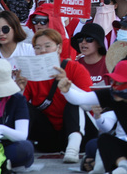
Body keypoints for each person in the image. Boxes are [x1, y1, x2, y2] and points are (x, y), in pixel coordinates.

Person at [17, 29, 94, 163]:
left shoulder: (75, 68)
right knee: (22, 104)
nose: (43, 51)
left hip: (79, 132)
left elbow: (89, 104)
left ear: (58, 48)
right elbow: (21, 108)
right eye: (38, 47)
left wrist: (69, 88)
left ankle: (72, 148)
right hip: (49, 134)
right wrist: (19, 90)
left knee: (73, 102)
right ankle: (19, 147)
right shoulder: (30, 74)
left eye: (48, 46)